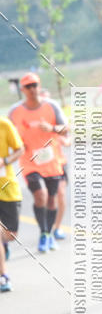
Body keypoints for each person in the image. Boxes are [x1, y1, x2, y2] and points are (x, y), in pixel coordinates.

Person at [8, 73, 70, 253]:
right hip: (29, 161)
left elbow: (66, 129)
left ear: (39, 86)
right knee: (40, 195)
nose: (32, 89)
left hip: (52, 160)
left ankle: (48, 233)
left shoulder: (51, 106)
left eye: (35, 85)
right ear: (22, 90)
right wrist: (17, 144)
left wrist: (51, 128)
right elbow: (8, 135)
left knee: (52, 198)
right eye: (28, 86)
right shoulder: (15, 111)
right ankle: (43, 233)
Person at [0, 115, 25, 292]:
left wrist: (5, 161)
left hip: (6, 186)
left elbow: (20, 149)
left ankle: (4, 242)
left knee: (11, 234)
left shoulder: (4, 124)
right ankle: (3, 275)